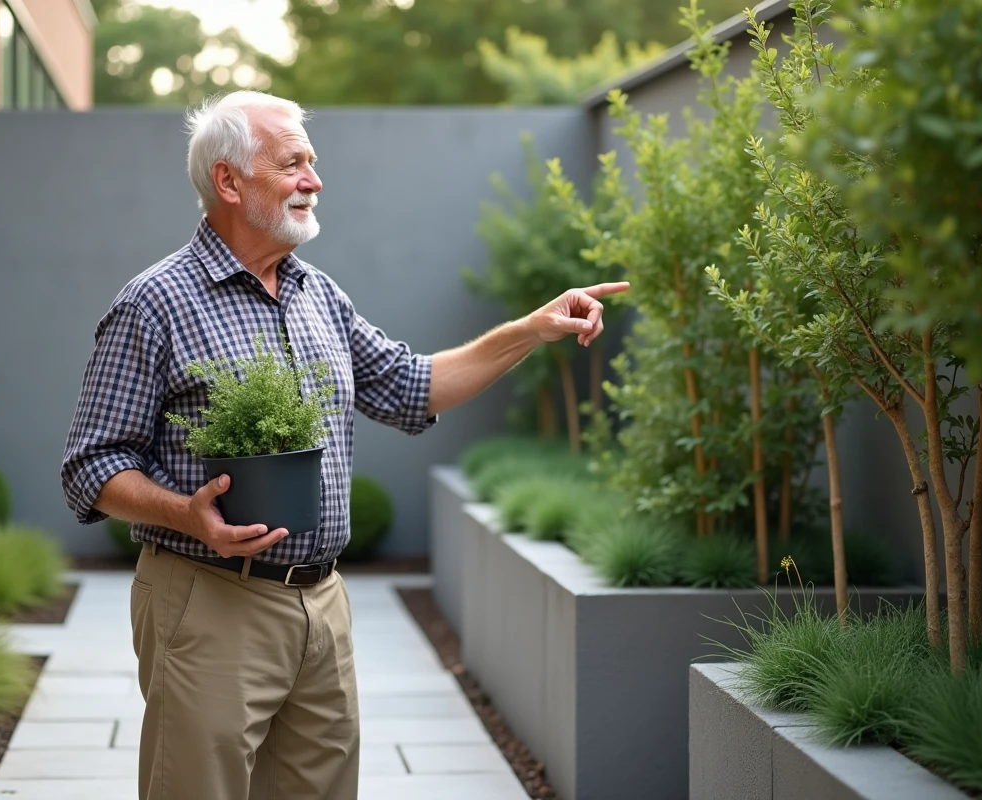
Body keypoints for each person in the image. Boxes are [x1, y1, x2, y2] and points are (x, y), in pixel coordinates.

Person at [59, 90, 627, 800]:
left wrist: (530, 331)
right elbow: (91, 466)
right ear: (230, 182)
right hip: (208, 601)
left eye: (313, 162)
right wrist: (185, 512)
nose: (314, 180)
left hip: (321, 604)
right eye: (293, 163)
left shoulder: (317, 295)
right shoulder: (155, 303)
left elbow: (411, 385)